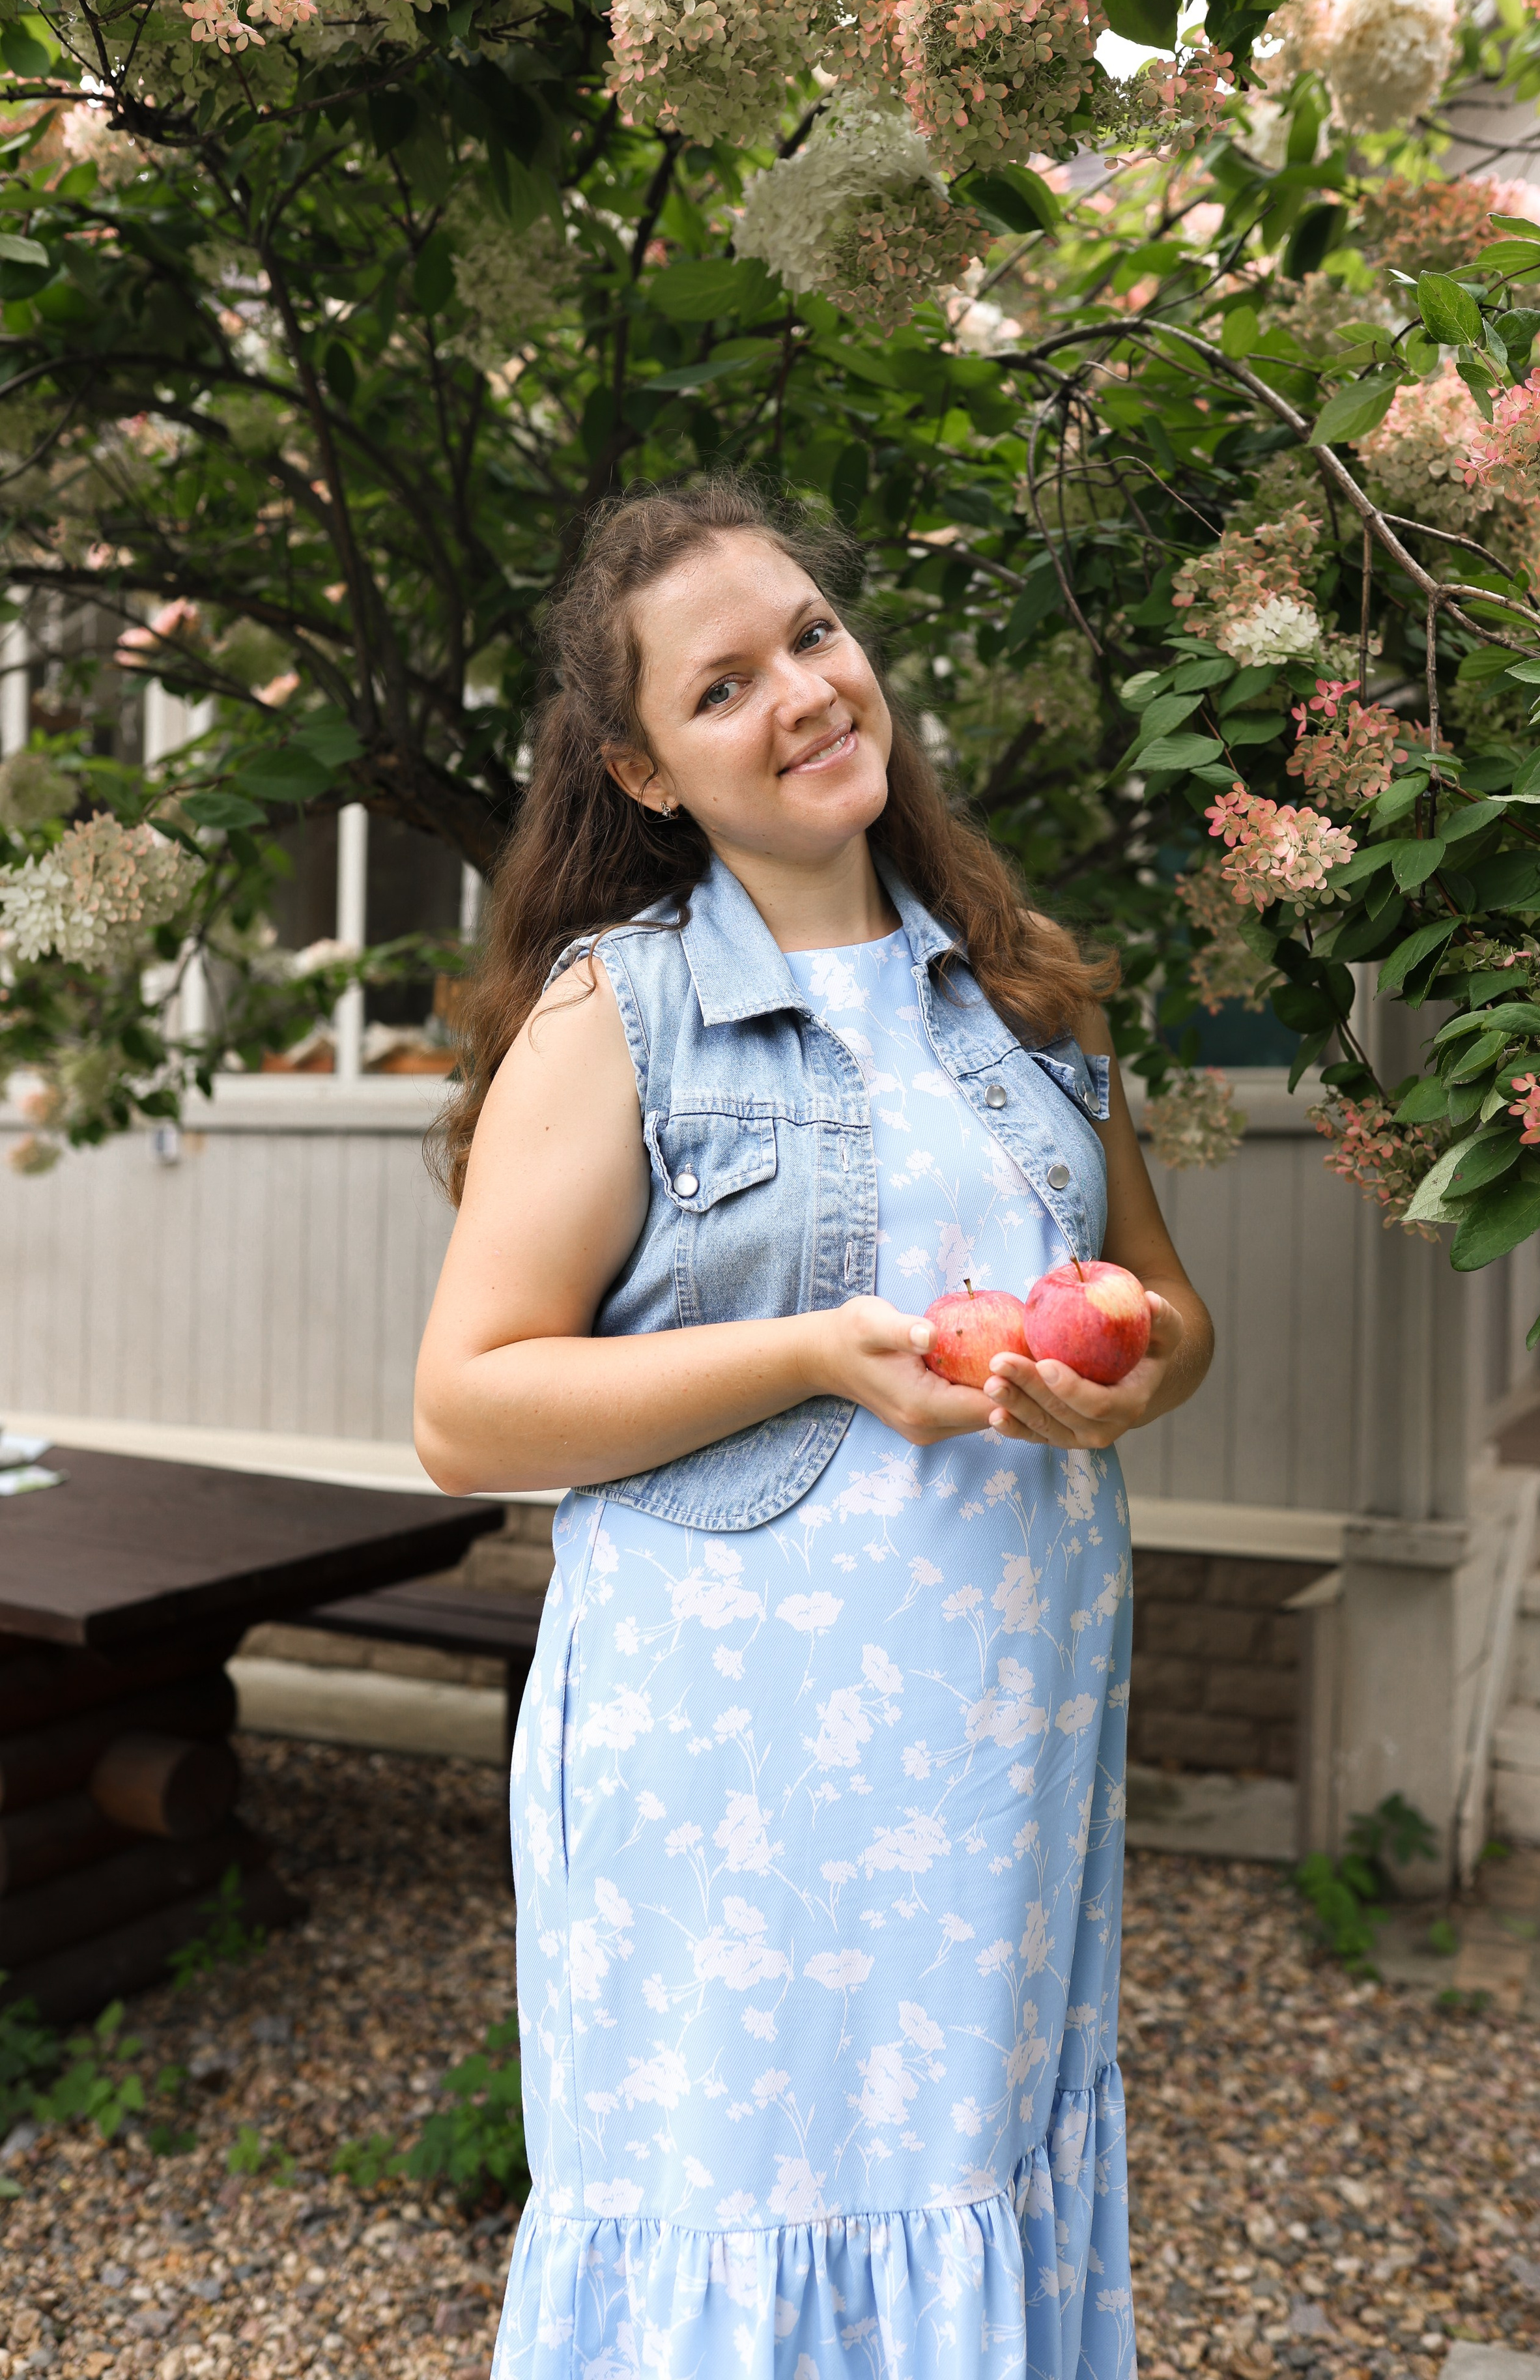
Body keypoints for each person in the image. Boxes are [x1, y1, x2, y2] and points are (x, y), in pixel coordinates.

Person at [415, 477, 1214, 2380]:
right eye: (723, 687)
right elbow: (466, 1407)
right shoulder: (621, 1016)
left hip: (1000, 1738)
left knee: (964, 2165)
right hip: (743, 1772)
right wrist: (807, 1355)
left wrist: (1128, 1377)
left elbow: (1170, 1312)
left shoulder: (1015, 979)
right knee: (746, 2195)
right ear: (647, 770)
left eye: (813, 636)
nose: (801, 692)